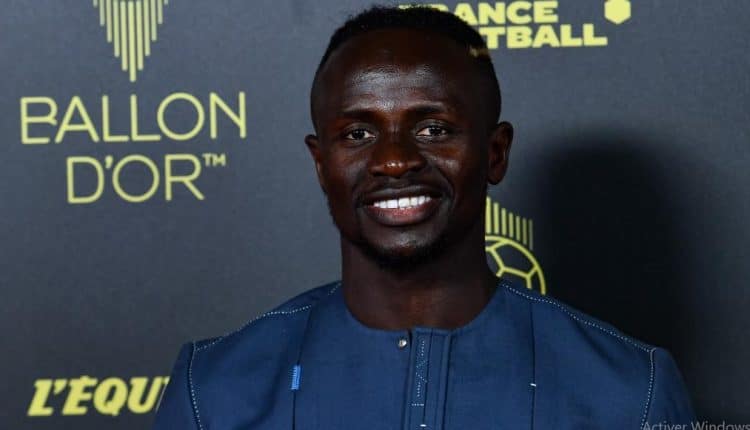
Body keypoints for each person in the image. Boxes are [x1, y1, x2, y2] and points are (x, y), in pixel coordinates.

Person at [153, 6, 695, 429]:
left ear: (495, 153)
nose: (394, 160)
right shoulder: (215, 390)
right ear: (321, 164)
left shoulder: (630, 391)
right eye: (357, 134)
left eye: (434, 129)